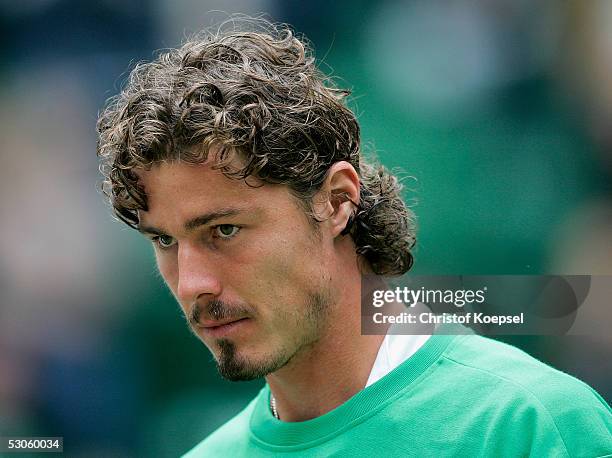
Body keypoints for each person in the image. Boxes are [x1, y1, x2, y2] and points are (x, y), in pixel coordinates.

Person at [97, 19, 612, 457]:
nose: (192, 284)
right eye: (164, 241)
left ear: (338, 200)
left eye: (224, 230)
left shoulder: (530, 424)